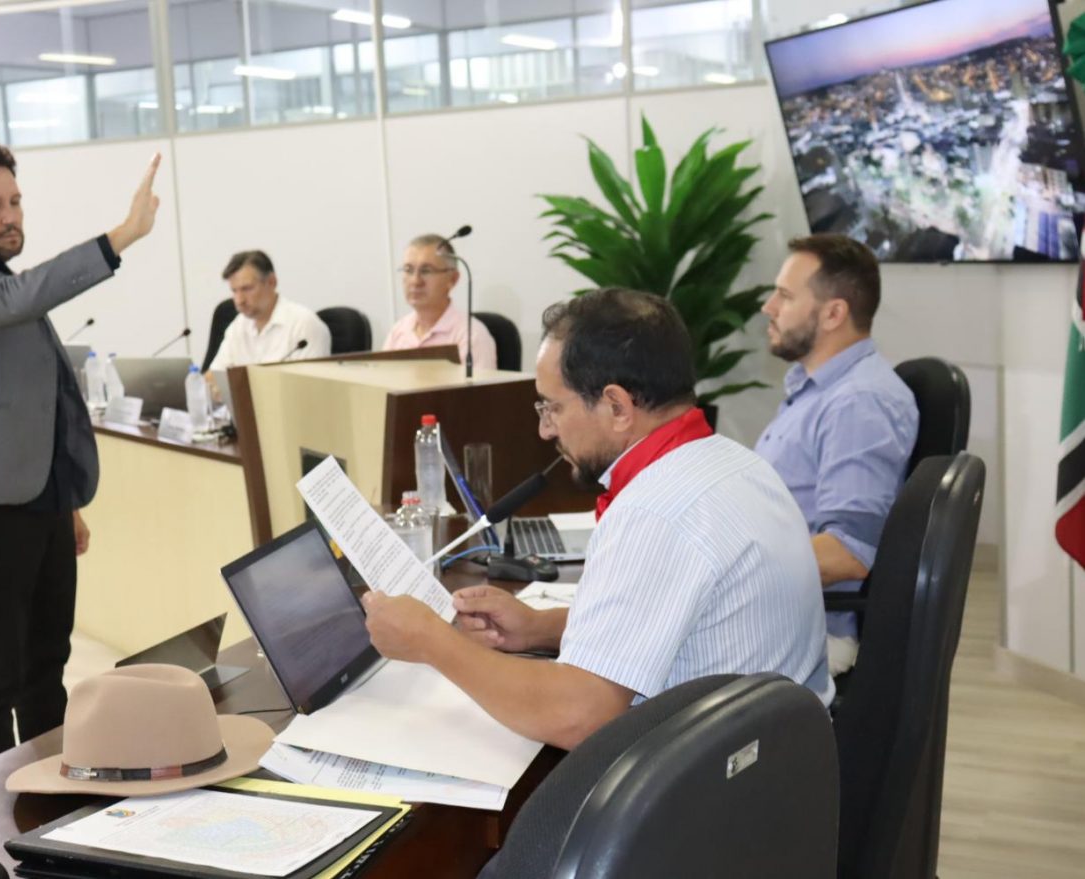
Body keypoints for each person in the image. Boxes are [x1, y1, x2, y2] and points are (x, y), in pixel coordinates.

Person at [362, 288, 832, 751]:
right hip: (779, 767)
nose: (545, 428)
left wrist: (430, 640)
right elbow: (672, 617)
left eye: (553, 406)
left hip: (715, 795)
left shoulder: (654, 510)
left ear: (616, 406)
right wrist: (539, 627)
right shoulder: (734, 463)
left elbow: (579, 715)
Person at [0, 142, 161, 766]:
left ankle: (52, 791)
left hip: (40, 494)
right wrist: (120, 236)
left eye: (14, 201)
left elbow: (40, 394)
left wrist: (64, 497)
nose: (9, 216)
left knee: (47, 660)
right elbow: (12, 306)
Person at [754, 234, 919, 677]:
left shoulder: (859, 402)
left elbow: (848, 553)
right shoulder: (817, 392)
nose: (769, 307)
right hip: (779, 615)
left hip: (805, 629)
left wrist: (728, 572)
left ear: (833, 313)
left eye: (785, 296)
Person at [382, 234, 497, 370]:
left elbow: (481, 391)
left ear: (453, 279)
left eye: (426, 270)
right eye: (408, 270)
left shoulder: (471, 335)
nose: (415, 281)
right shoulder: (398, 331)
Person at [209, 250, 331, 371]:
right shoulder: (238, 325)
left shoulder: (303, 325)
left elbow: (310, 386)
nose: (239, 300)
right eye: (234, 291)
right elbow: (214, 377)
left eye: (246, 289)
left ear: (271, 282)